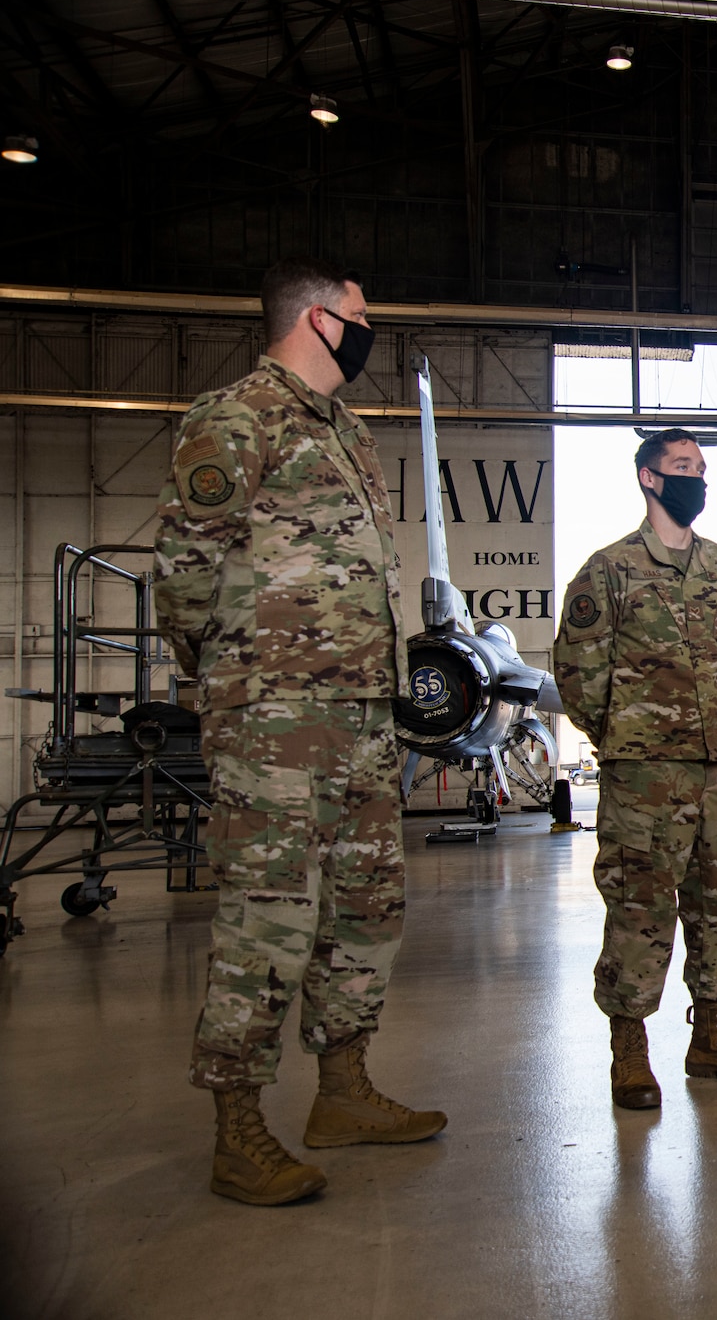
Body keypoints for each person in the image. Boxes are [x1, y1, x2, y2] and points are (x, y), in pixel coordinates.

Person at [156, 256, 446, 1208]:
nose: (369, 328)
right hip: (275, 719)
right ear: (318, 319)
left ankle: (342, 1090)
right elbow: (185, 572)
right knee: (270, 914)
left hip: (362, 712)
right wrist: (237, 684)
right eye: (360, 314)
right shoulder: (237, 415)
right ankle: (238, 1125)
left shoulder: (346, 430)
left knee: (366, 907)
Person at [553, 428, 717, 1108]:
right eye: (683, 466)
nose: (697, 478)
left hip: (716, 775)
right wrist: (626, 739)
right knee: (639, 909)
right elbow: (577, 675)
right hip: (644, 781)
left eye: (702, 468)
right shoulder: (608, 571)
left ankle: (711, 1034)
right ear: (649, 478)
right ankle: (630, 1051)